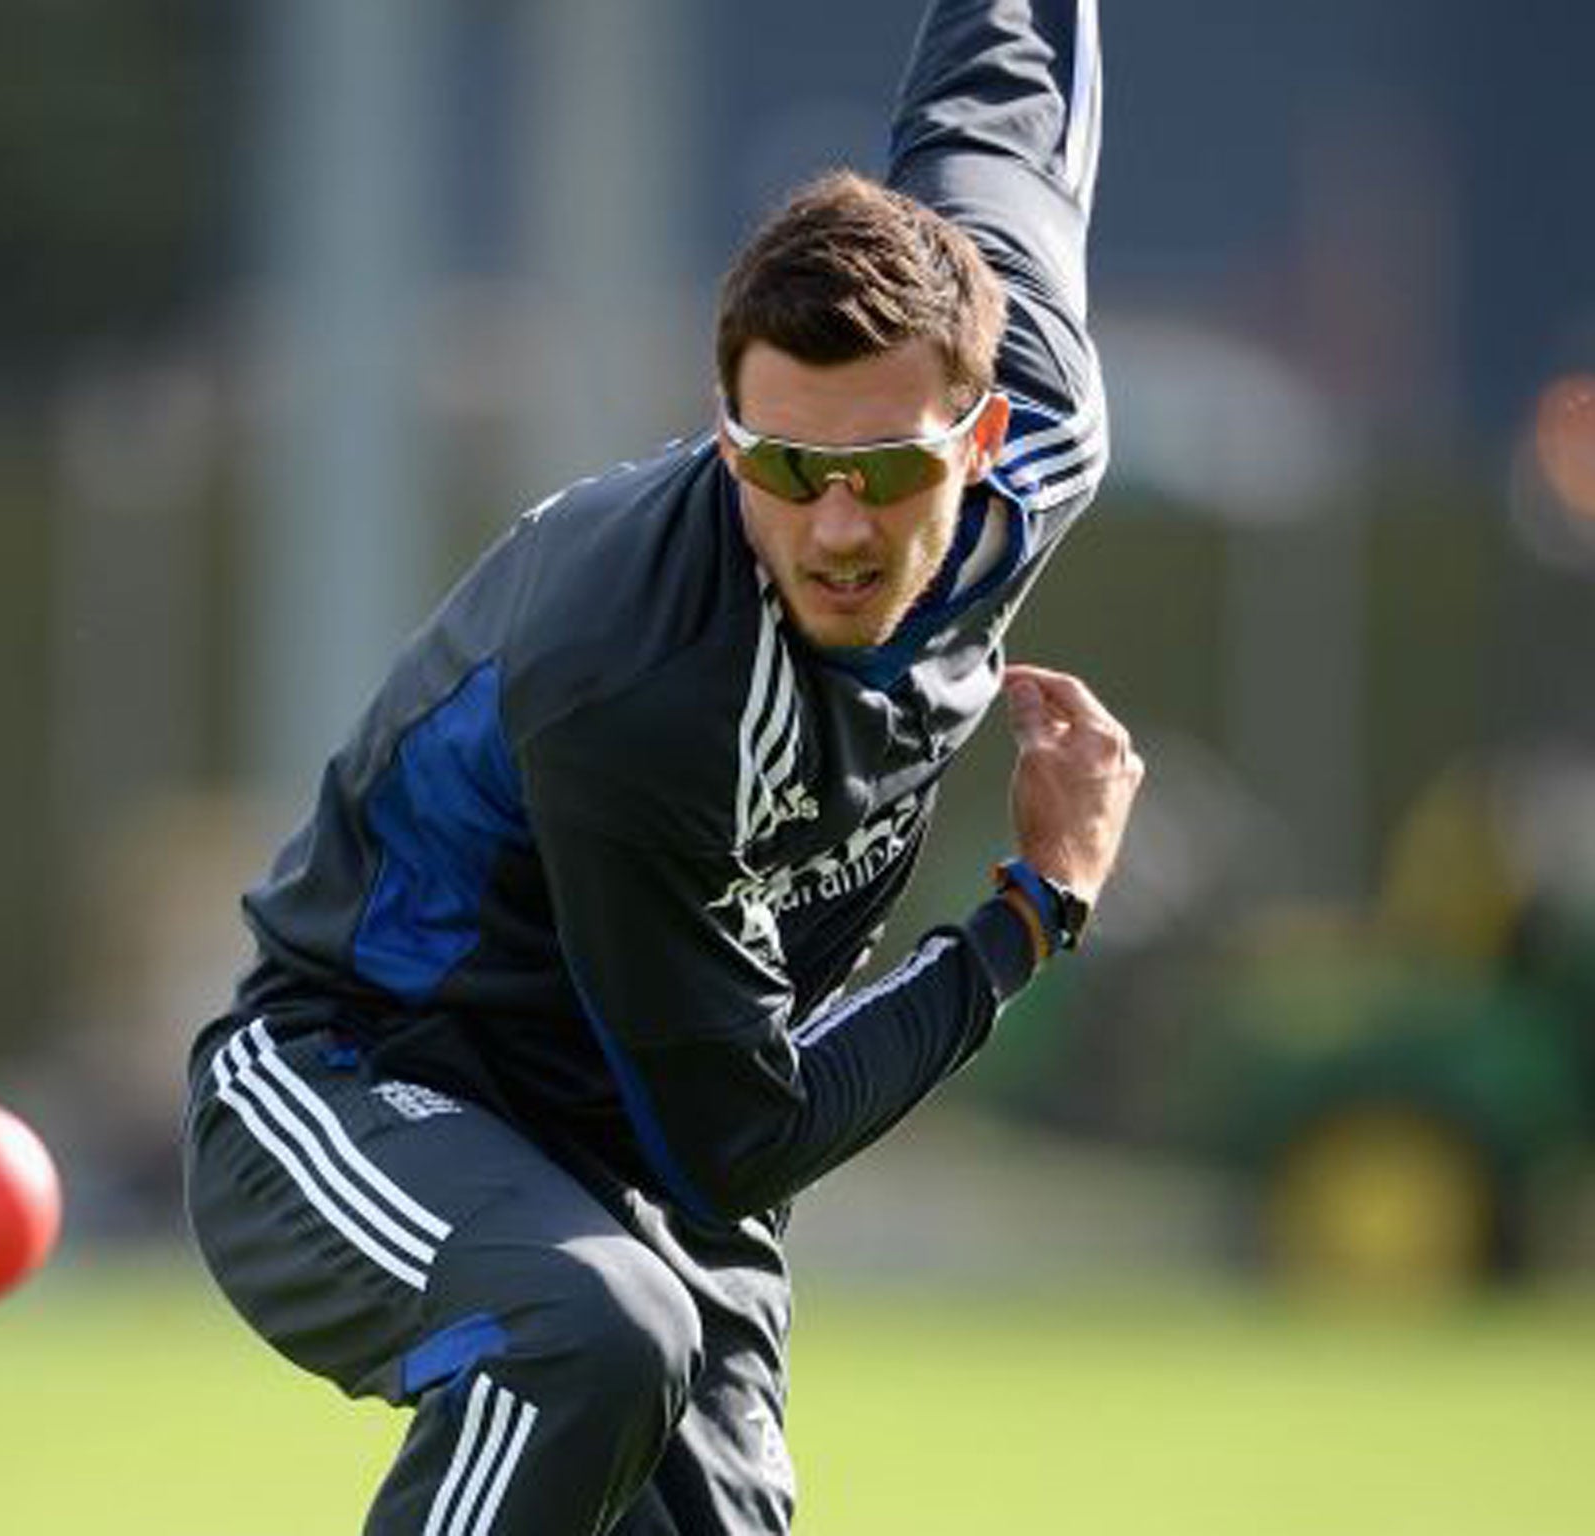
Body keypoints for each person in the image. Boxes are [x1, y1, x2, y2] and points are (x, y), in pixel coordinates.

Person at [183, 0, 1142, 1530]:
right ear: (726, 431)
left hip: (652, 1144)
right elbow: (742, 1131)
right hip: (361, 1084)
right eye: (784, 468)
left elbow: (999, 99)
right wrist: (1033, 911)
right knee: (590, 1337)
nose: (835, 528)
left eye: (885, 475)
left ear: (981, 439)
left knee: (653, 1375)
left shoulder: (1046, 438)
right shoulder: (632, 675)